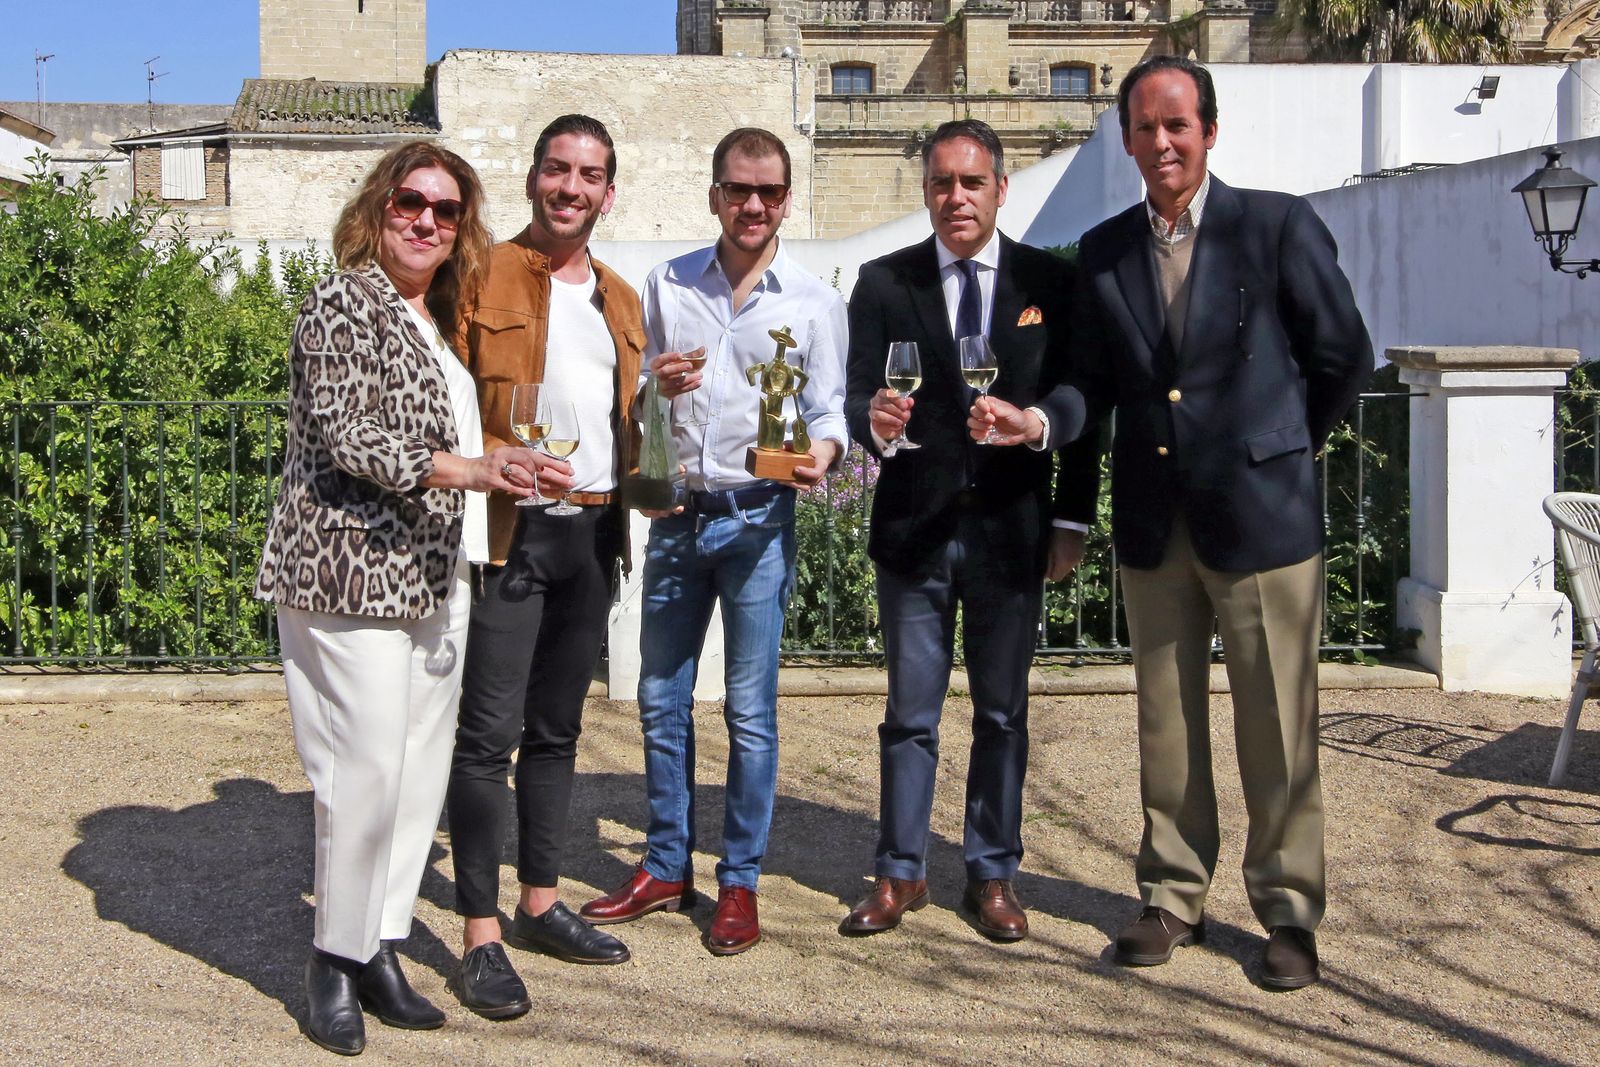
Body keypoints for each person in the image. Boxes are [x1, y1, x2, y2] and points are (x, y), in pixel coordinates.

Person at [972, 56, 1374, 989]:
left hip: (1266, 523)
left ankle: (1286, 912)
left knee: (1278, 724)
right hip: (1157, 523)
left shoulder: (1275, 225)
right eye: (1145, 129)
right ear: (1126, 140)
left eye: (1177, 126)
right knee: (1166, 720)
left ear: (1209, 132)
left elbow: (1342, 353)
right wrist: (1039, 421)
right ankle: (1173, 893)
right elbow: (1090, 389)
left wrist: (1286, 447)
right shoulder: (1105, 248)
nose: (1161, 142)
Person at [255, 140, 538, 1055]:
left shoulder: (435, 315)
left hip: (429, 577)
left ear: (462, 230)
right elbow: (350, 435)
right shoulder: (344, 299)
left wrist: (510, 464)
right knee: (365, 773)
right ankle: (331, 963)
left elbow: (448, 435)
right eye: (410, 202)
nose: (425, 220)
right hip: (344, 573)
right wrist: (474, 469)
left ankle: (378, 942)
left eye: (445, 211)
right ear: (379, 208)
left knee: (417, 776)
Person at [579, 127, 848, 956]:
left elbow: (830, 412)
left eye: (768, 192)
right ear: (715, 196)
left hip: (761, 517)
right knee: (662, 698)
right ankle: (666, 864)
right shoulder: (669, 283)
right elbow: (641, 398)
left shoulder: (811, 301)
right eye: (739, 190)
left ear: (787, 200)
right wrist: (653, 388)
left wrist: (824, 455)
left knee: (750, 711)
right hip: (678, 516)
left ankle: (739, 881)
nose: (754, 205)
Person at [838, 119, 1101, 943]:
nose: (957, 196)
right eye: (942, 182)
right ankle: (900, 871)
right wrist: (872, 422)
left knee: (1002, 713)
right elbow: (851, 399)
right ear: (925, 191)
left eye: (972, 181)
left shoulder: (1049, 284)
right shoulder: (885, 283)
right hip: (913, 532)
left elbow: (1083, 405)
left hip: (1011, 533)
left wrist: (1067, 512)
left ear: (999, 188)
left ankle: (992, 873)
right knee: (909, 713)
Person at [444, 114, 646, 1018]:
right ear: (532, 180)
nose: (573, 187)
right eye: (558, 170)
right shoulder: (478, 273)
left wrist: (658, 465)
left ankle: (539, 903)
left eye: (590, 174)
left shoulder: (622, 298)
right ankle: (479, 935)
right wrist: (494, 451)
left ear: (609, 191)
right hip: (508, 528)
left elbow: (624, 422)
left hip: (594, 534)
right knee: (488, 738)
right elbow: (443, 401)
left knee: (558, 731)